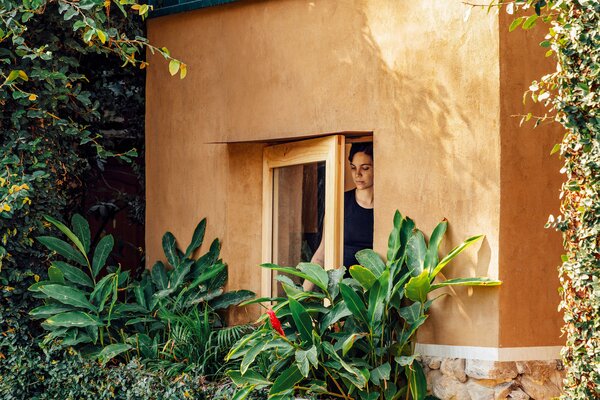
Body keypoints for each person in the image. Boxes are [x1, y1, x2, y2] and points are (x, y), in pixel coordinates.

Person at [304, 143, 373, 288]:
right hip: (339, 292)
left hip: (375, 295)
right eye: (353, 167)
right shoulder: (340, 202)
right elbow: (321, 255)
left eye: (365, 168)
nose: (357, 174)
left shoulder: (386, 207)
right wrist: (299, 297)